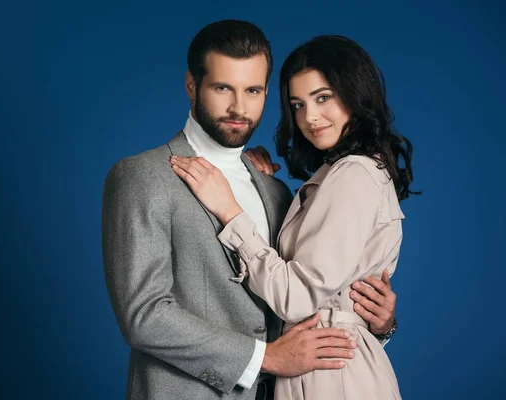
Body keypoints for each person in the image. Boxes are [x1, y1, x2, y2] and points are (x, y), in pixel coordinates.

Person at [103, 21, 398, 400]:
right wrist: (265, 357)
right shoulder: (143, 176)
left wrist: (377, 321)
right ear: (192, 86)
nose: (239, 107)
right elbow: (143, 316)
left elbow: (306, 297)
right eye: (222, 88)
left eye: (253, 90)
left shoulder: (275, 191)